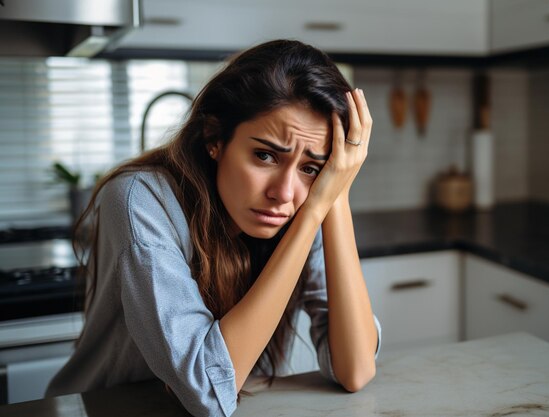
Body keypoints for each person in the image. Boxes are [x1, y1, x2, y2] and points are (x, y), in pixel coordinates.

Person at [46, 39, 381, 417]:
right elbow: (206, 390)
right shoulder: (139, 199)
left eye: (311, 168)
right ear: (214, 138)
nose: (283, 193)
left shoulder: (305, 203)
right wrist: (314, 207)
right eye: (265, 155)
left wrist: (336, 193)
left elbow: (355, 370)